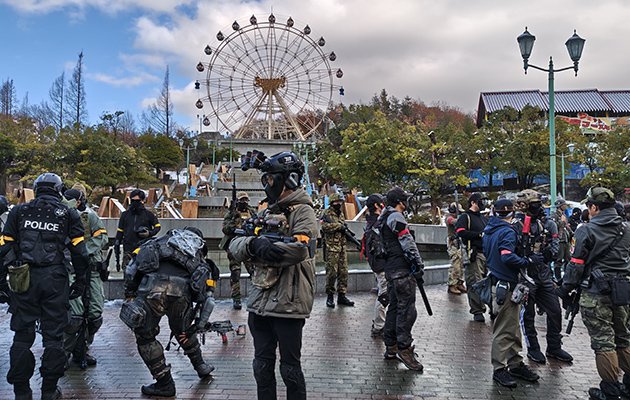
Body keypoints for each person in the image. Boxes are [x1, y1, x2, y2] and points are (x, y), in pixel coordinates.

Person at [229, 151, 317, 400]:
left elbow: (299, 250)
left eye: (269, 179)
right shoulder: (266, 212)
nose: (267, 184)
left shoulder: (303, 212)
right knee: (261, 367)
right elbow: (235, 245)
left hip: (289, 304)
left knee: (290, 370)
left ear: (288, 179)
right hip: (259, 303)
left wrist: (261, 250)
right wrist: (254, 245)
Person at [0, 173, 90, 400]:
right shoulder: (68, 214)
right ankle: (49, 391)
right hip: (54, 280)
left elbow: (3, 248)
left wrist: (2, 283)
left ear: (37, 189)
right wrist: (80, 282)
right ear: (59, 191)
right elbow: (80, 253)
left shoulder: (18, 212)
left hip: (24, 280)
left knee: (22, 337)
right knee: (53, 338)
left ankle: (22, 392)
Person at [123, 227, 216, 397]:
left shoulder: (159, 242)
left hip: (152, 289)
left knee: (145, 337)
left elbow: (132, 269)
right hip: (182, 292)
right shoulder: (198, 255)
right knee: (183, 331)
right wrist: (195, 324)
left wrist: (130, 295)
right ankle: (200, 365)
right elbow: (206, 297)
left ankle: (164, 384)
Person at [556, 186, 630, 400]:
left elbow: (576, 265)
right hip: (623, 291)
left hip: (596, 292)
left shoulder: (585, 230)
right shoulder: (626, 228)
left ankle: (610, 390)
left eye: (589, 206)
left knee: (603, 342)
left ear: (594, 207)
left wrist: (564, 289)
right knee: (624, 337)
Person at [483, 198, 540, 387]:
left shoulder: (490, 229)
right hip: (506, 285)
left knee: (513, 327)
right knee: (504, 329)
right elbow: (507, 256)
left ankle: (515, 363)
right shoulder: (507, 231)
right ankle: (499, 368)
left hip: (498, 282)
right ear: (512, 213)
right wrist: (528, 262)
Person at [512, 189, 573, 364]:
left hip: (544, 275)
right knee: (528, 314)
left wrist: (549, 253)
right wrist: (526, 258)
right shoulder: (516, 225)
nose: (538, 208)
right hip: (525, 276)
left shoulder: (542, 224)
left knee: (555, 310)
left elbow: (551, 244)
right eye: (534, 204)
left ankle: (554, 346)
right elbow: (511, 250)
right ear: (523, 205)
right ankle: (533, 348)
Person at [61, 188, 108, 367]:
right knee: (74, 317)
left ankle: (82, 349)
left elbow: (102, 237)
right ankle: (62, 353)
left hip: (91, 271)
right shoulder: (60, 217)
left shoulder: (90, 217)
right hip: (71, 271)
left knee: (94, 315)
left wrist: (83, 253)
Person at [380, 187, 425, 371]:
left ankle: (391, 346)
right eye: (404, 199)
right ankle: (404, 349)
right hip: (402, 271)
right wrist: (418, 264)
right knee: (406, 310)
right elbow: (407, 242)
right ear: (399, 202)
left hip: (391, 270)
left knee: (394, 308)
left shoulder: (384, 216)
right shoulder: (396, 217)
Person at [220, 191, 256, 310]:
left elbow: (257, 223)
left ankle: (255, 297)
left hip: (247, 245)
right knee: (235, 273)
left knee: (254, 272)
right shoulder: (231, 213)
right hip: (234, 245)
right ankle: (236, 299)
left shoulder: (251, 212)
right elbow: (225, 229)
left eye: (245, 200)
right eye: (242, 200)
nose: (244, 202)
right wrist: (234, 220)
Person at [456, 192, 489, 322]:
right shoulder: (465, 217)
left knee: (489, 282)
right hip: (474, 255)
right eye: (481, 201)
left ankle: (492, 308)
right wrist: (478, 235)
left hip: (486, 254)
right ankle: (477, 310)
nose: (483, 204)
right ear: (473, 202)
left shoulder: (484, 218)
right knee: (475, 282)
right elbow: (460, 232)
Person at [115, 188, 160, 273]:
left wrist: (149, 234)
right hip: (128, 249)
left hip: (144, 249)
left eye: (137, 201)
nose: (134, 203)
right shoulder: (125, 215)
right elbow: (120, 231)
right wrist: (117, 242)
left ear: (143, 201)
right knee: (128, 273)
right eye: (133, 201)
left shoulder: (148, 214)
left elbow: (157, 227)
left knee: (143, 273)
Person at [321, 192, 354, 307]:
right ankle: (330, 296)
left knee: (343, 272)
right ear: (332, 202)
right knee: (332, 273)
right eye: (337, 202)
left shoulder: (341, 215)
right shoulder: (326, 214)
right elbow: (324, 227)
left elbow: (343, 227)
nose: (339, 204)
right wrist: (338, 226)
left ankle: (342, 295)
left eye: (340, 202)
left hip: (341, 247)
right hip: (331, 248)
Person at [364, 194, 387, 337]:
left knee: (384, 294)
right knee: (384, 295)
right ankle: (379, 326)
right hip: (381, 265)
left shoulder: (372, 221)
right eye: (381, 203)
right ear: (377, 206)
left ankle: (381, 324)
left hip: (379, 265)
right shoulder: (377, 224)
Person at [446, 202, 467, 295]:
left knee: (461, 264)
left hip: (460, 242)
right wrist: (461, 219)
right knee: (455, 264)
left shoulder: (458, 217)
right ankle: (452, 284)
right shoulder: (448, 217)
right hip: (453, 243)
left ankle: (460, 282)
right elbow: (452, 221)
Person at [551, 198, 573, 281]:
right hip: (559, 240)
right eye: (564, 204)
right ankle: (558, 278)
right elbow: (554, 226)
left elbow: (566, 226)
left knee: (568, 259)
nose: (565, 206)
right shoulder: (554, 215)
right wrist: (562, 221)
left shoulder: (563, 215)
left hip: (566, 239)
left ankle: (567, 277)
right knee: (559, 260)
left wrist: (572, 232)